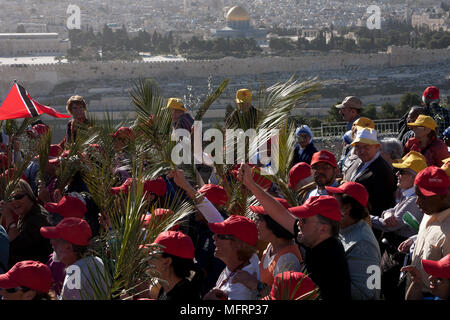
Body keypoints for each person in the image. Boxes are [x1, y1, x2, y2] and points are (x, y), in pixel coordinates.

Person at [238, 163, 351, 300]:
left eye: (305, 220)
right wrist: (251, 185)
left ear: (324, 228)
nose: (299, 223)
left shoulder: (329, 260)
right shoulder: (315, 238)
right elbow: (280, 214)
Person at [231, 198, 303, 298]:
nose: (255, 223)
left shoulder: (287, 259)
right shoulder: (271, 246)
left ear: (273, 223)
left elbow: (281, 297)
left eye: (259, 219)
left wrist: (254, 284)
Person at [325, 182, 381, 300]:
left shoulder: (364, 243)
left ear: (347, 207)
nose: (329, 203)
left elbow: (368, 294)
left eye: (334, 200)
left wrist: (324, 274)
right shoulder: (343, 227)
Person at [406, 166, 450, 297]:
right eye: (416, 195)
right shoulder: (428, 212)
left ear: (442, 196)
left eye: (423, 197)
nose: (417, 202)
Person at [40, 217, 109, 300]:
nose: (51, 242)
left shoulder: (74, 273)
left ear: (68, 247)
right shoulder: (96, 260)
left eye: (55, 241)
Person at [203, 215, 260, 300]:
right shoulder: (243, 261)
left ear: (237, 245)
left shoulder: (240, 286)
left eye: (221, 236)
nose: (214, 237)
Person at [345, 128, 397, 218]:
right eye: (358, 147)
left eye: (366, 147)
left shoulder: (382, 170)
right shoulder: (357, 161)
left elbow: (383, 204)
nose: (361, 151)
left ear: (376, 147)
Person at [0, 180, 52, 267]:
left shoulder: (37, 218)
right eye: (10, 198)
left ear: (29, 195)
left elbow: (17, 248)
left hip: (38, 272)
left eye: (19, 196)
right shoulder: (26, 213)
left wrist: (9, 217)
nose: (14, 202)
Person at [141, 231, 202, 301]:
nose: (148, 258)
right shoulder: (167, 288)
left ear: (167, 262)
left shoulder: (183, 296)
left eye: (152, 255)